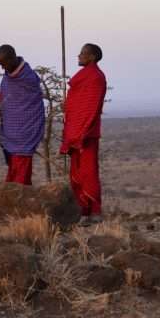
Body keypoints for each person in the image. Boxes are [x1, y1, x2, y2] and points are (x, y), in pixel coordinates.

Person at [0, 44, 45, 185]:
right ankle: (12, 199)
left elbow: (27, 102)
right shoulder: (9, 76)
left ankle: (21, 201)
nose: (3, 68)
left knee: (21, 175)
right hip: (11, 133)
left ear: (13, 58)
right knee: (13, 171)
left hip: (24, 132)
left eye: (4, 64)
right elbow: (8, 96)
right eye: (0, 65)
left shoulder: (28, 77)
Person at [61, 43, 107, 225]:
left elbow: (91, 108)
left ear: (92, 57)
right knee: (76, 173)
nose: (79, 56)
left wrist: (82, 131)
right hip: (75, 131)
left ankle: (94, 211)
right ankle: (82, 211)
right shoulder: (85, 77)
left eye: (83, 53)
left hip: (87, 133)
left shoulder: (96, 77)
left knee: (89, 172)